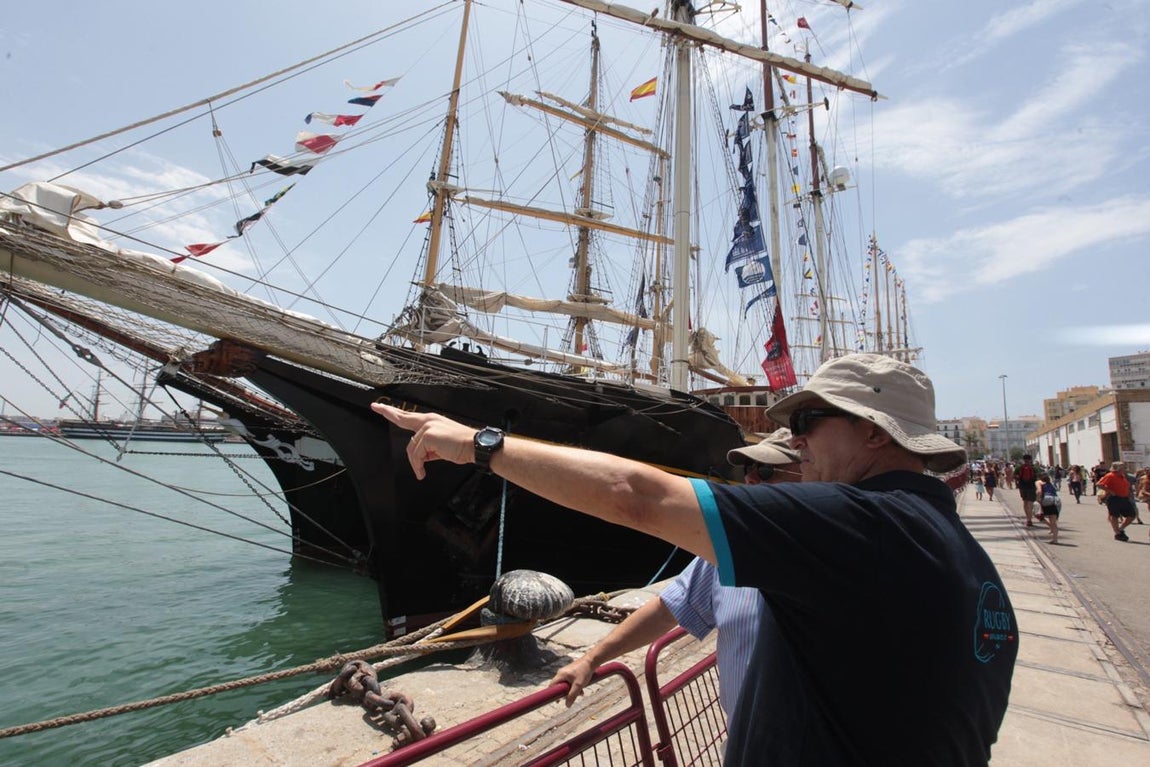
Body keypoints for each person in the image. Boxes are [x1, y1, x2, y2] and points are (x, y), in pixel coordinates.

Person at [372, 353, 1018, 765]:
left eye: (813, 418)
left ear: (877, 432)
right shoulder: (976, 573)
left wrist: (481, 445)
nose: (794, 438)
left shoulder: (862, 526)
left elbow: (638, 497)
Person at [549, 430, 801, 715]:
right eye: (748, 469)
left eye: (766, 470)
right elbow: (666, 610)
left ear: (814, 473)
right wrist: (590, 660)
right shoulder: (725, 553)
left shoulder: (835, 554)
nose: (750, 479)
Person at [1097, 461, 1136, 542]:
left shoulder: (1122, 476)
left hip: (1124, 498)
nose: (1125, 469)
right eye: (1123, 468)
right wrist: (1110, 491)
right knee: (1114, 515)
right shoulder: (1110, 475)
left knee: (1132, 515)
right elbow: (1099, 484)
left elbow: (1126, 486)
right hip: (1114, 498)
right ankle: (1117, 533)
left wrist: (1129, 493)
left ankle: (1121, 529)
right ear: (1117, 469)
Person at [1036, 473, 1060, 544]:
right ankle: (1055, 539)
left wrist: (1038, 499)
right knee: (1054, 522)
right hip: (1054, 502)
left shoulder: (1040, 484)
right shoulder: (1051, 485)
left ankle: (1050, 527)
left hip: (1045, 502)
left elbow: (1039, 492)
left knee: (1039, 516)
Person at [1016, 454, 1039, 527]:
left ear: (1023, 459)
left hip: (1022, 487)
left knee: (1025, 502)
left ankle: (1028, 519)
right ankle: (1029, 519)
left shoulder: (1019, 467)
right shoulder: (1034, 468)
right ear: (1030, 459)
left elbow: (1015, 476)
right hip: (1032, 487)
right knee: (1030, 503)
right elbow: (1038, 476)